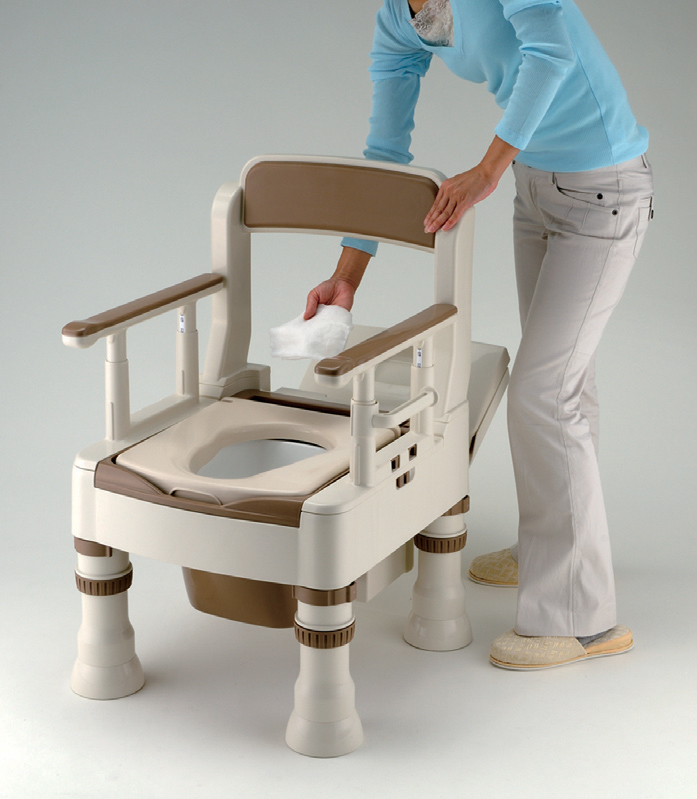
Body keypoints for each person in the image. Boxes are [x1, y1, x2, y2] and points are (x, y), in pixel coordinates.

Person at [304, 0, 654, 670]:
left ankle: (582, 621)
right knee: (562, 385)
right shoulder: (398, 20)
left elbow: (551, 52)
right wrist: (346, 276)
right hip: (537, 189)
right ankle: (554, 551)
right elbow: (385, 154)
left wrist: (486, 170)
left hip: (603, 188)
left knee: (544, 393)